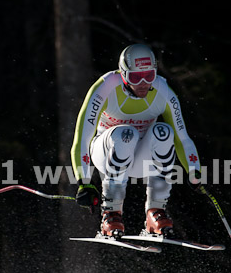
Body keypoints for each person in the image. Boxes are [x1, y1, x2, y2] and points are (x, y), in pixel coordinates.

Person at [71, 44, 202, 239]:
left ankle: (155, 213)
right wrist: (84, 181)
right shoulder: (106, 87)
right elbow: (82, 138)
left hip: (141, 159)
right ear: (123, 74)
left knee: (164, 131)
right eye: (135, 77)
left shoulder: (163, 91)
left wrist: (194, 171)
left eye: (149, 76)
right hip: (106, 154)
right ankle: (111, 213)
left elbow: (182, 138)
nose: (142, 83)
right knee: (126, 134)